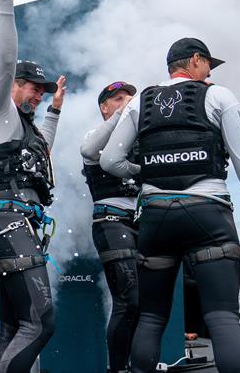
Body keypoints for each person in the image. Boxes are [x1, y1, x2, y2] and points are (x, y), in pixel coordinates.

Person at [99, 37, 240, 373]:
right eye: (207, 65)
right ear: (195, 61)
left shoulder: (140, 102)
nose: (209, 74)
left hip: (155, 218)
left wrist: (147, 171)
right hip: (208, 214)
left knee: (150, 317)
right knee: (222, 317)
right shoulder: (219, 95)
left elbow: (109, 160)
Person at [0, 0, 66, 373]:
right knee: (40, 324)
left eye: (42, 91)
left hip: (14, 223)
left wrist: (55, 109)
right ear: (13, 84)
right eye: (32, 88)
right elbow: (3, 61)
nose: (38, 95)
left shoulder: (21, 128)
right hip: (9, 221)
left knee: (13, 328)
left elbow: (40, 149)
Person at [80, 81, 139, 373]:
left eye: (130, 98)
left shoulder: (138, 141)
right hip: (112, 220)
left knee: (147, 305)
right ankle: (116, 370)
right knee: (128, 301)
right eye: (118, 99)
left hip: (144, 223)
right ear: (104, 107)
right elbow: (89, 149)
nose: (126, 102)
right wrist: (122, 115)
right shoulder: (96, 135)